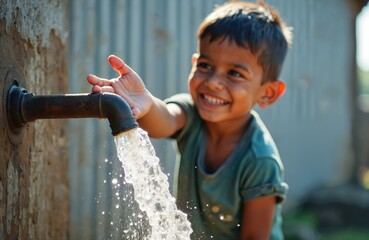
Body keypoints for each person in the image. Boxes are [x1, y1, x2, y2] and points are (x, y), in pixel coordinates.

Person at [87, 1, 292, 239]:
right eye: (206, 66)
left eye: (235, 73)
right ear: (194, 64)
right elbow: (165, 120)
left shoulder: (260, 161)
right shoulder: (192, 114)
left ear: (267, 93)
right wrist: (147, 103)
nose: (213, 81)